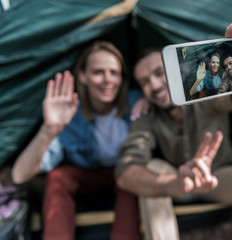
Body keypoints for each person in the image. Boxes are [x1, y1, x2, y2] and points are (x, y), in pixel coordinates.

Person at [115, 16, 232, 240]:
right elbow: (126, 172)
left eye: (158, 73)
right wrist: (174, 183)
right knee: (151, 169)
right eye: (144, 82)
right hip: (176, 182)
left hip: (217, 178)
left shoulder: (204, 94)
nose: (153, 85)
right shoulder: (145, 114)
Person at [11, 41, 146, 240]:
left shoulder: (136, 101)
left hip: (124, 176)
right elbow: (19, 175)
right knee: (58, 177)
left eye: (114, 73)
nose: (107, 79)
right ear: (82, 76)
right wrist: (49, 129)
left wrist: (148, 100)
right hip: (89, 175)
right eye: (98, 72)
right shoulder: (70, 114)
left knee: (131, 179)